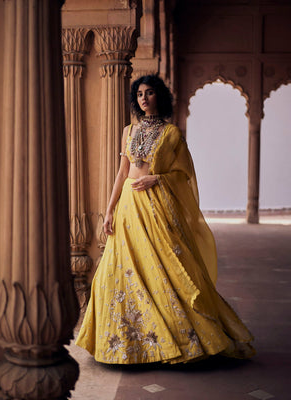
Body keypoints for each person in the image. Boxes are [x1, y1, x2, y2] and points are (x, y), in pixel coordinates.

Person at [75, 75, 255, 364]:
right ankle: (129, 345)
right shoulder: (129, 131)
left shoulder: (172, 134)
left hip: (157, 207)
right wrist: (109, 210)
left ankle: (186, 340)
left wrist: (156, 179)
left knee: (167, 267)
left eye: (149, 93)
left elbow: (183, 174)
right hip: (129, 208)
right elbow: (122, 173)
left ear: (160, 96)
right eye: (140, 94)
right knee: (119, 270)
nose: (144, 98)